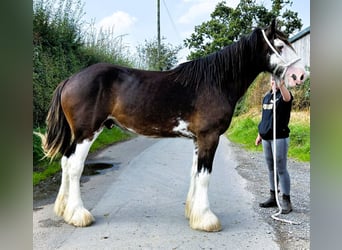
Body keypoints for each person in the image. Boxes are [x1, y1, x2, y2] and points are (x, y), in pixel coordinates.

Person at [255, 75, 293, 214]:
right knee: (271, 168)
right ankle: (273, 196)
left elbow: (287, 98)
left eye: (277, 80)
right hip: (266, 137)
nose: (274, 83)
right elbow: (265, 117)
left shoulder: (284, 95)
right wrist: (260, 134)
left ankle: (286, 200)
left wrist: (281, 85)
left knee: (281, 168)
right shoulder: (266, 97)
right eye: (273, 80)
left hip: (279, 137)